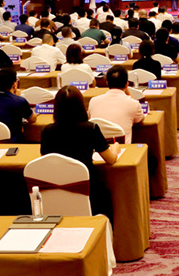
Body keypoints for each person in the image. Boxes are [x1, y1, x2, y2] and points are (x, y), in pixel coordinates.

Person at [41, 85, 120, 220]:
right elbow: (111, 159)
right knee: (106, 193)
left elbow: (46, 159)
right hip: (87, 186)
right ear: (81, 106)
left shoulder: (47, 131)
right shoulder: (91, 128)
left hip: (56, 185)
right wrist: (115, 148)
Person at [88, 65, 144, 144]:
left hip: (97, 148)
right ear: (127, 84)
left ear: (107, 82)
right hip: (123, 148)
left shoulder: (93, 101)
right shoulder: (133, 104)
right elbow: (140, 120)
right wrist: (128, 91)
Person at [0, 68, 37, 142]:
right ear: (14, 84)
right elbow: (33, 119)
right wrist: (18, 97)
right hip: (12, 142)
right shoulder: (19, 101)